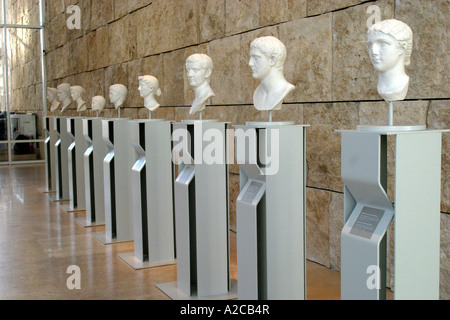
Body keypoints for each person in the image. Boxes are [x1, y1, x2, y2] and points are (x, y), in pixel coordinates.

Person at [367, 19, 413, 102]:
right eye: (370, 44)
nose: (374, 51)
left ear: (402, 47)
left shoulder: (400, 85)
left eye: (383, 44)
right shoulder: (381, 87)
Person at [249, 36, 295, 111]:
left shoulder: (285, 89)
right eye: (251, 57)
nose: (250, 63)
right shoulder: (258, 93)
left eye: (256, 57)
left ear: (272, 60)